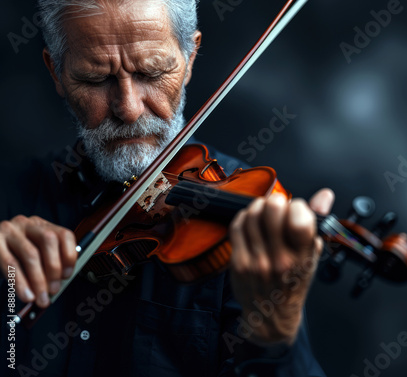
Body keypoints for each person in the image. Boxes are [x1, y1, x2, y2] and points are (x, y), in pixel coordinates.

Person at [0, 1, 333, 376]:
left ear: (189, 58)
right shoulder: (10, 194)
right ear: (56, 72)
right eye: (95, 78)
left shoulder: (243, 223)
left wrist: (276, 336)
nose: (127, 108)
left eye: (152, 71)